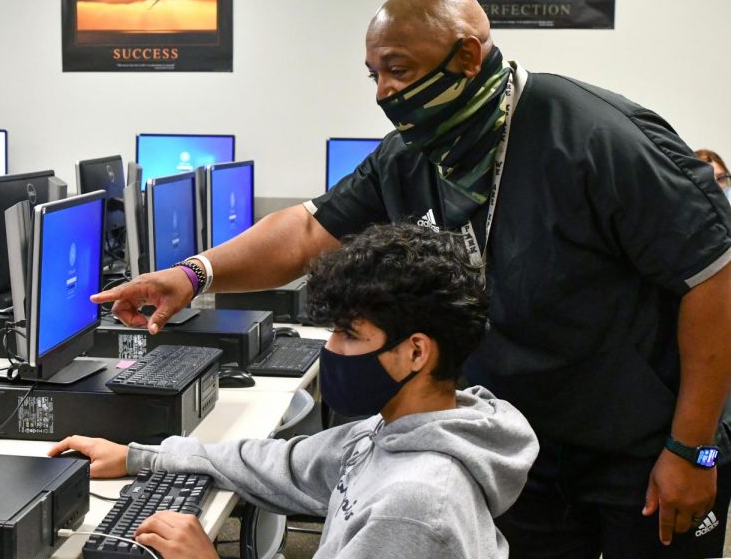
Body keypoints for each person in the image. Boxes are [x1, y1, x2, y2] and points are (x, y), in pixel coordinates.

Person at [91, 0, 731, 557]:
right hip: (527, 448)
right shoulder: (416, 152)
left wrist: (692, 448)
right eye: (373, 74)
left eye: (397, 69)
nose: (384, 93)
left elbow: (714, 279)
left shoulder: (595, 138)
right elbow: (309, 229)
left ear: (467, 57)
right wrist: (193, 274)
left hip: (642, 446)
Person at [50, 224, 539, 558]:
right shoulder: (389, 432)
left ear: (415, 352)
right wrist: (140, 457)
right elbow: (279, 465)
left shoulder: (415, 503)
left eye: (349, 334)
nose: (331, 349)